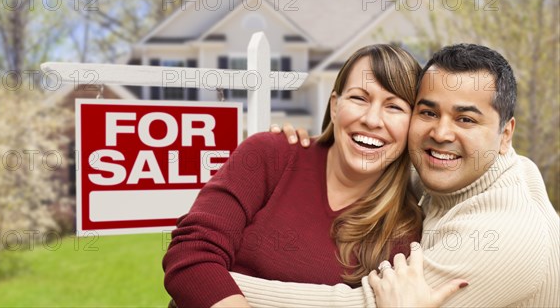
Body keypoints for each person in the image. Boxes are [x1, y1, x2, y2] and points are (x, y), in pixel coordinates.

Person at [231, 43, 560, 307]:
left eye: (466, 120)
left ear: (506, 134)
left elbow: (362, 304)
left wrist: (215, 283)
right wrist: (302, 150)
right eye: (428, 112)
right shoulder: (448, 173)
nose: (441, 133)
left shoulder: (504, 237)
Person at [162, 44, 425, 307]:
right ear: (335, 106)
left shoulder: (404, 228)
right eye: (359, 98)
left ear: (413, 125)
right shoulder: (271, 154)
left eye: (394, 107)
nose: (372, 119)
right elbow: (191, 253)